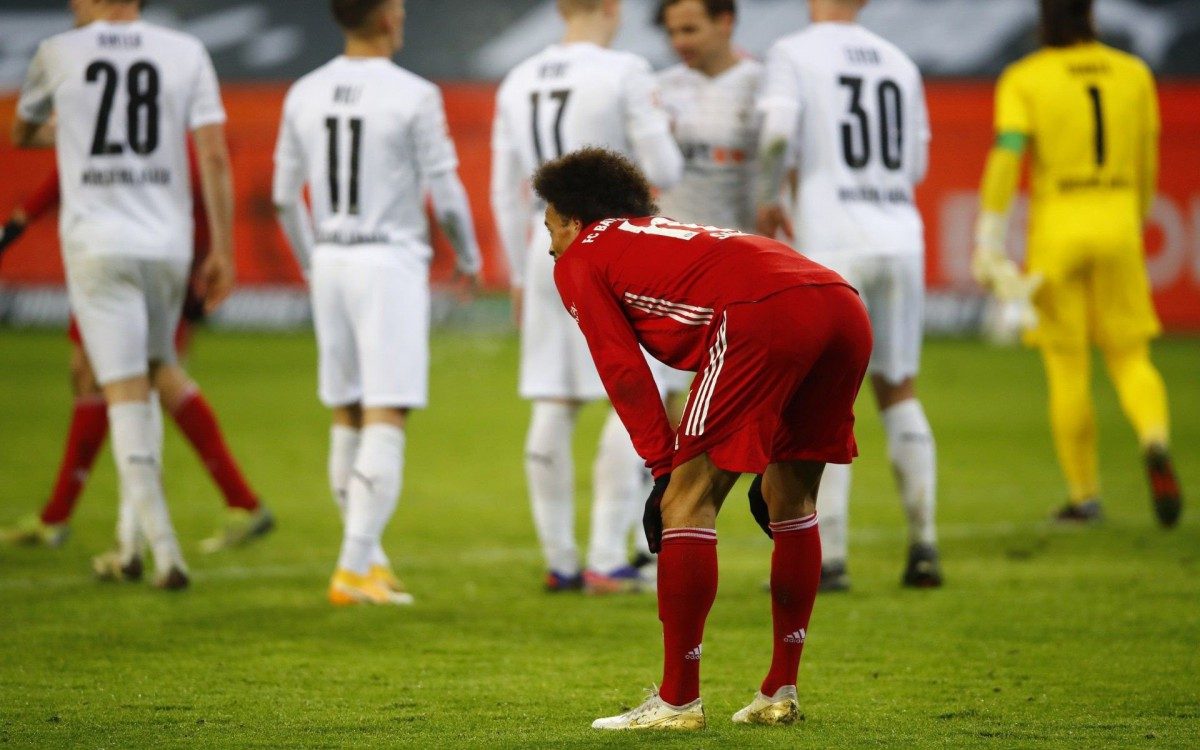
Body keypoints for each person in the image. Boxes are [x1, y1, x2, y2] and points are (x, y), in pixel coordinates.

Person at [534, 147, 871, 729]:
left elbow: (622, 371)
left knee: (686, 503)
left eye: (550, 229)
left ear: (571, 219)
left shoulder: (582, 257)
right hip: (840, 303)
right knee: (792, 500)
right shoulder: (658, 231)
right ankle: (779, 691)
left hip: (759, 314)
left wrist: (664, 467)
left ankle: (677, 702)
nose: (549, 247)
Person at [13, 0, 236, 589]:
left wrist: (74, 129)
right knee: (154, 370)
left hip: (98, 247)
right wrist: (224, 250)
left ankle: (166, 556)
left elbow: (22, 132)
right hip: (168, 245)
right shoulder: (185, 51)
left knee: (123, 391)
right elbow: (213, 154)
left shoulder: (57, 53)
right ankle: (128, 545)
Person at [273, 0, 483, 606]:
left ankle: (371, 563)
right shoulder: (413, 93)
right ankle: (352, 566)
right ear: (389, 17)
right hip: (386, 263)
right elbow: (444, 192)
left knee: (347, 411)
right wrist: (467, 256)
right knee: (386, 412)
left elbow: (286, 195)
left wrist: (312, 259)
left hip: (332, 258)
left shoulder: (304, 91)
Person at [490, 0, 683, 594]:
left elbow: (503, 187)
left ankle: (561, 562)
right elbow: (665, 167)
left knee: (553, 400)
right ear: (608, 7)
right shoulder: (624, 70)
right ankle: (607, 556)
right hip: (611, 248)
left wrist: (520, 276)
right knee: (636, 391)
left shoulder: (518, 77)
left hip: (542, 245)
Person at [972, 0, 1182, 526]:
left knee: (1068, 366)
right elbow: (1148, 158)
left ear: (1044, 20)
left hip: (1060, 229)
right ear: (1092, 16)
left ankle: (1085, 495)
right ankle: (1154, 439)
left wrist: (989, 234)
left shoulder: (1027, 77)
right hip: (1117, 221)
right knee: (1131, 356)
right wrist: (1129, 220)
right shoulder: (1133, 74)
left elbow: (1008, 153)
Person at [755, 0, 941, 590]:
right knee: (899, 387)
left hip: (833, 239)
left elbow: (776, 135)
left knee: (821, 399)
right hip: (899, 235)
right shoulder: (899, 60)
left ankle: (829, 554)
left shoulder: (792, 52)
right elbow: (915, 162)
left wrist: (769, 194)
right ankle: (925, 547)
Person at [0, 159, 273, 554]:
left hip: (125, 255)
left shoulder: (141, 127)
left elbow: (66, 148)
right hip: (131, 251)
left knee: (149, 373)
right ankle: (61, 518)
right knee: (93, 372)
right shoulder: (156, 127)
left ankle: (194, 522)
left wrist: (15, 226)